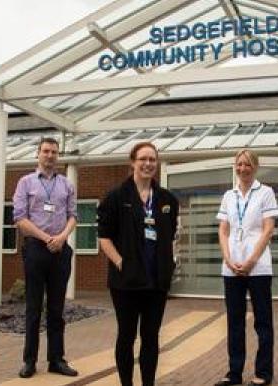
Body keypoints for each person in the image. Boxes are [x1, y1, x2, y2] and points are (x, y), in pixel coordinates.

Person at [97, 142, 179, 386]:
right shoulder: (115, 197)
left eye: (152, 159)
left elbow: (170, 234)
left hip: (157, 281)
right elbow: (104, 237)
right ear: (132, 162)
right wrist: (121, 262)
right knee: (127, 336)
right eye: (143, 159)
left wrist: (168, 264)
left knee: (151, 337)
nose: (148, 164)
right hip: (126, 282)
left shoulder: (167, 199)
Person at [12, 137, 79, 379]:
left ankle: (56, 360)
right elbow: (20, 219)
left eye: (54, 152)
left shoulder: (66, 184)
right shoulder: (25, 182)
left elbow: (73, 215)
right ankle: (29, 361)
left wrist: (61, 237)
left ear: (58, 156)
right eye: (46, 151)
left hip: (60, 250)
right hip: (36, 249)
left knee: (57, 309)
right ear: (38, 154)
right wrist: (46, 238)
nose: (50, 156)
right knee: (33, 307)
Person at [214, 149, 278, 386]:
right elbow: (223, 230)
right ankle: (234, 374)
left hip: (258, 267)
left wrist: (251, 261)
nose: (242, 168)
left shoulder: (266, 192)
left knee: (262, 322)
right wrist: (228, 259)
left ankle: (263, 374)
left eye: (247, 164)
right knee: (235, 322)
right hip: (231, 268)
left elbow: (268, 229)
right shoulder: (229, 196)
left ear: (255, 167)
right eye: (239, 164)